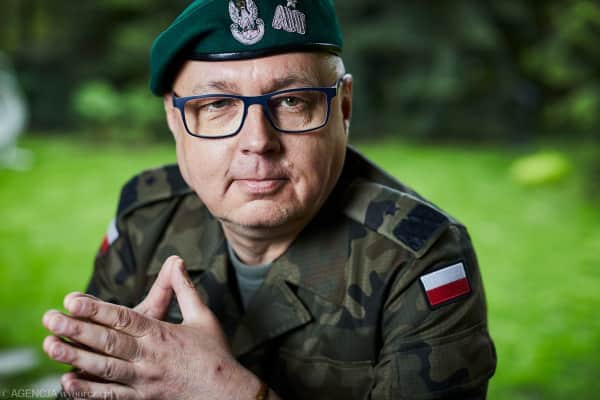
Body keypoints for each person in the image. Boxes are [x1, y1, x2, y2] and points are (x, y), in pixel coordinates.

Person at [42, 1, 496, 398]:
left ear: (343, 107)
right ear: (174, 119)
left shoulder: (418, 259)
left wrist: (224, 390)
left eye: (293, 101)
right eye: (217, 104)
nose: (258, 142)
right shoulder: (147, 215)